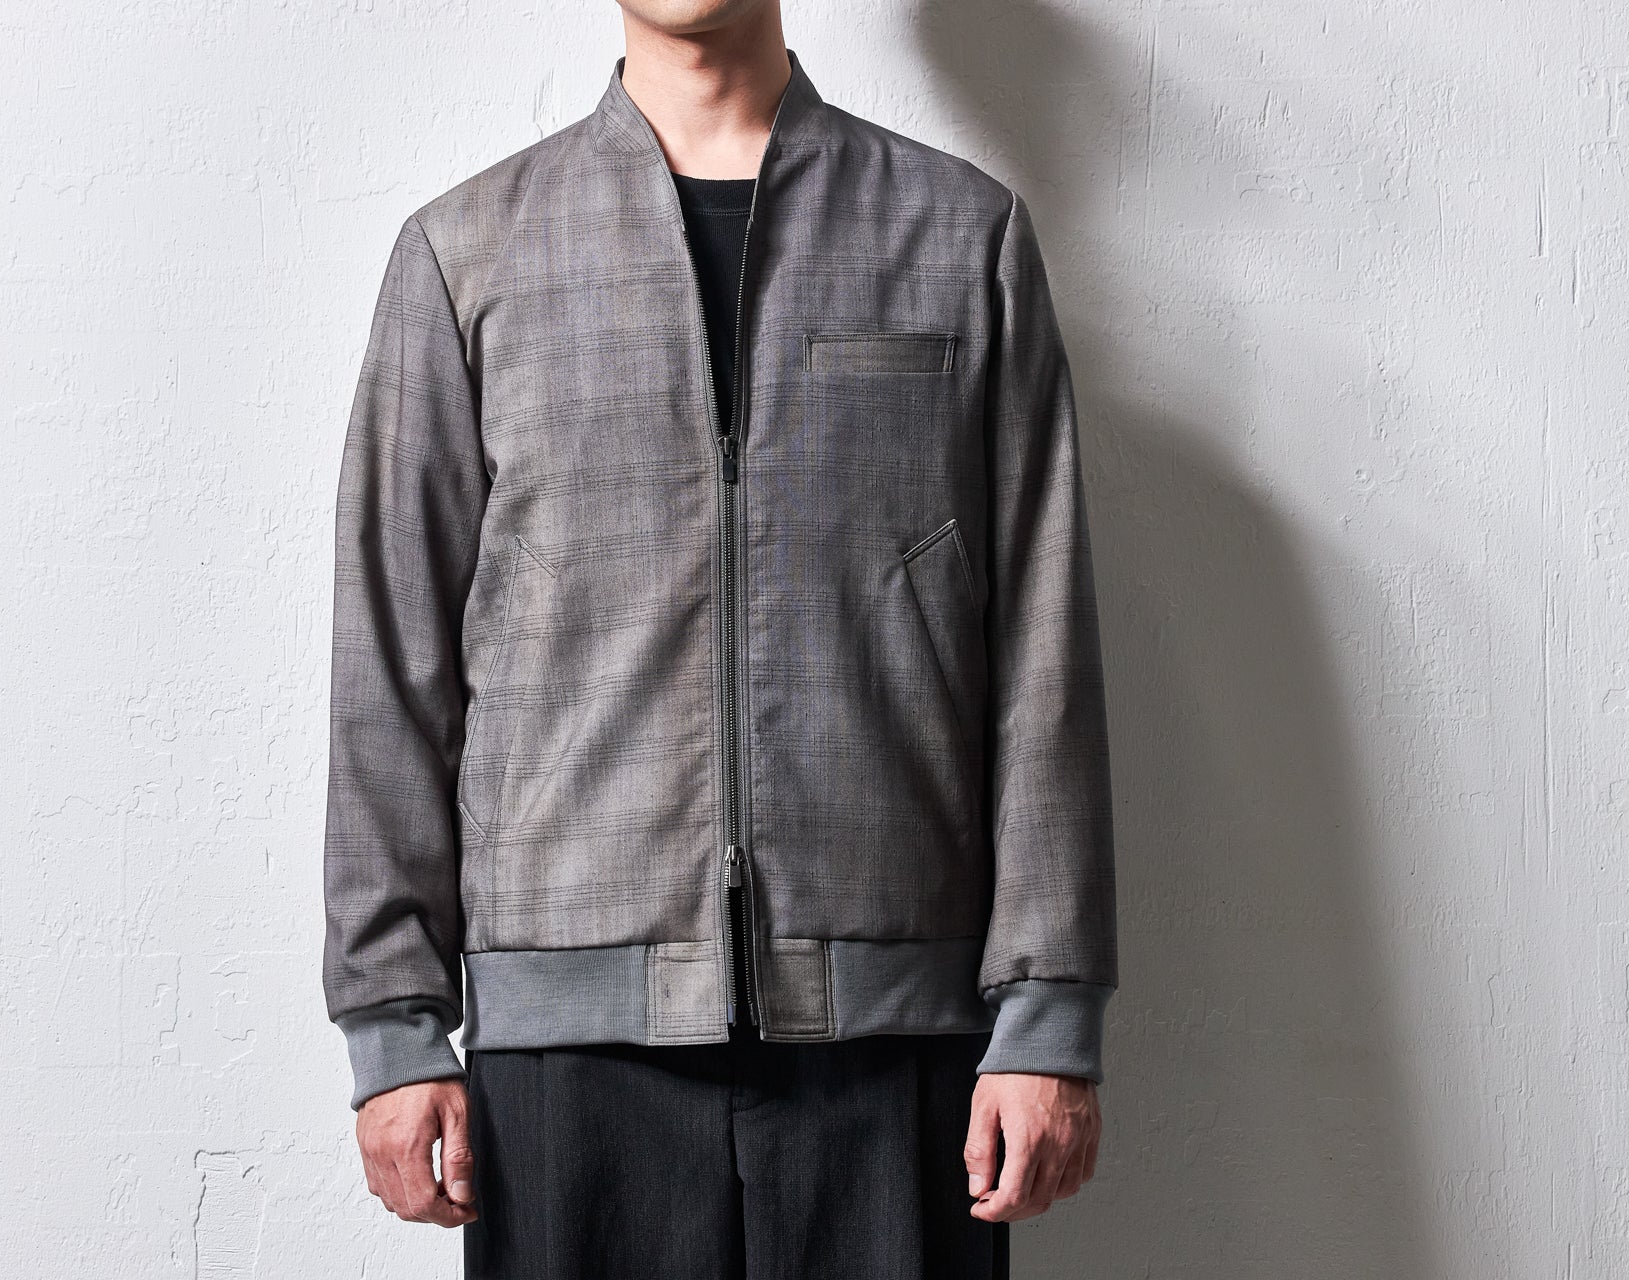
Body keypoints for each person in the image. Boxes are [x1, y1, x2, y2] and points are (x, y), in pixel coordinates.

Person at [322, 2, 1119, 1275]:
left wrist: (1047, 1010)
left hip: (898, 1054)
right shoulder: (467, 257)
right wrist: (393, 1023)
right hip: (566, 1062)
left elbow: (1042, 651)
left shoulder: (961, 238)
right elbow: (391, 660)